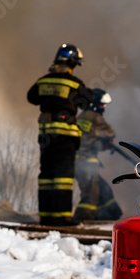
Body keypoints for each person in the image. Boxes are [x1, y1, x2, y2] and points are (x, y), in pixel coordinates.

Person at [27, 43, 92, 226]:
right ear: (72, 64)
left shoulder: (43, 81)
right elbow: (86, 102)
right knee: (62, 176)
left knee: (46, 175)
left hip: (46, 137)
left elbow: (31, 97)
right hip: (65, 136)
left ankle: (46, 216)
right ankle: (63, 217)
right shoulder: (74, 83)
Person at [73, 89, 123, 221]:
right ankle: (83, 218)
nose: (103, 108)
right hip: (86, 161)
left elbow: (87, 139)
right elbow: (110, 132)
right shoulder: (94, 117)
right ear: (94, 103)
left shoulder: (82, 117)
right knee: (90, 193)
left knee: (102, 188)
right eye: (102, 104)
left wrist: (99, 143)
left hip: (79, 160)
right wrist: (105, 140)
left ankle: (110, 213)